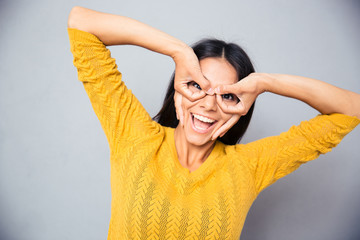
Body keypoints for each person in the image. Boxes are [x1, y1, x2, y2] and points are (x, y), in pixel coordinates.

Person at [67, 6, 360, 240]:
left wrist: (266, 82)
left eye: (228, 95)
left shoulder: (248, 167)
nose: (208, 104)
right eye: (196, 85)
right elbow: (81, 22)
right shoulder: (134, 136)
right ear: (178, 87)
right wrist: (178, 51)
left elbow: (352, 108)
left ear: (241, 107)